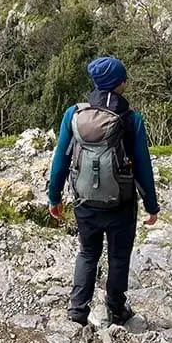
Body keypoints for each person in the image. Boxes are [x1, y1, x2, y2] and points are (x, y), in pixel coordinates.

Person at [48, 56, 159, 327]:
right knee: (119, 256)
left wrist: (54, 196)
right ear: (120, 83)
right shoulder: (131, 119)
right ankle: (116, 309)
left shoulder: (74, 114)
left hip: (85, 200)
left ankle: (77, 311)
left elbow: (60, 159)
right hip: (121, 201)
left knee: (87, 253)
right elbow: (143, 166)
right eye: (125, 78)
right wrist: (151, 205)